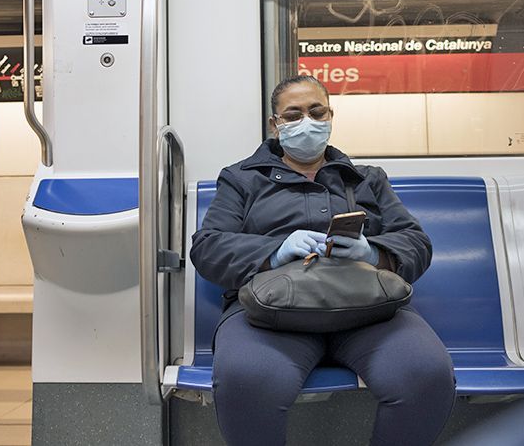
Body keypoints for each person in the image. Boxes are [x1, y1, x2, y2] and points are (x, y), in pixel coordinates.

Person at [190, 75, 456, 446]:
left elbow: (416, 242)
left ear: (331, 115)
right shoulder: (241, 180)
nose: (307, 122)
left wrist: (373, 252)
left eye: (317, 112)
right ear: (275, 125)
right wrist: (275, 250)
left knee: (424, 374)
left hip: (368, 309)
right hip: (269, 314)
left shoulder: (367, 179)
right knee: (248, 379)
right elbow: (208, 248)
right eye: (293, 114)